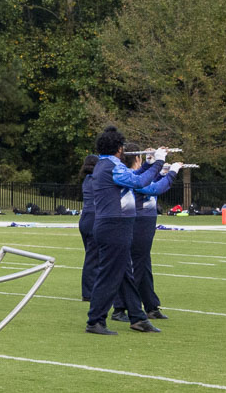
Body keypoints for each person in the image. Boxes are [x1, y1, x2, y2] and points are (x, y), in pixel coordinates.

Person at [84, 127, 166, 335]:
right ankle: (95, 320)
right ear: (119, 148)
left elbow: (134, 175)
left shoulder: (109, 165)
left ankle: (138, 318)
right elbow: (139, 182)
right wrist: (159, 162)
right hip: (114, 226)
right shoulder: (112, 166)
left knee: (125, 274)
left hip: (115, 226)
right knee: (110, 275)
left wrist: (148, 163)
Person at [110, 146, 181, 323]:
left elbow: (153, 181)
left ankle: (150, 305)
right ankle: (120, 307)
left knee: (143, 265)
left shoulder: (137, 175)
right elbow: (154, 189)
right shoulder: (130, 177)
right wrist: (171, 172)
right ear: (136, 159)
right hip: (138, 220)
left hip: (146, 220)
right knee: (136, 266)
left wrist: (159, 170)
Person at [77, 154, 99, 301]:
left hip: (85, 218)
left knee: (92, 256)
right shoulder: (96, 180)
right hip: (94, 218)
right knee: (93, 257)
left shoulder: (87, 179)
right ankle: (88, 292)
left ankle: (92, 288)